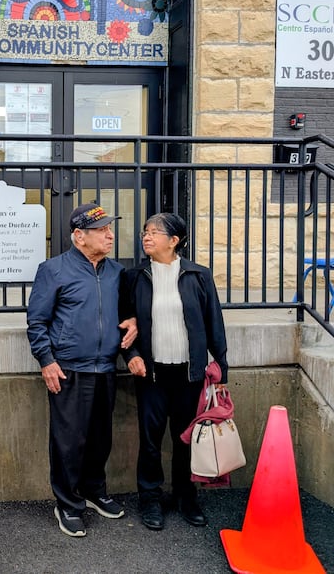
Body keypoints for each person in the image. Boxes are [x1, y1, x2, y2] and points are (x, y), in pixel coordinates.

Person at [26, 203, 137, 538]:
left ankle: (93, 491)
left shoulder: (116, 272)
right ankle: (68, 504)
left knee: (100, 438)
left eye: (110, 228)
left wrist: (133, 321)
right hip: (68, 369)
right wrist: (47, 361)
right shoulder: (53, 270)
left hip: (106, 367)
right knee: (68, 442)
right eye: (102, 230)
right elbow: (37, 322)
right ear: (79, 236)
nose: (110, 235)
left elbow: (126, 313)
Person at [122, 212, 228, 531]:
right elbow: (123, 322)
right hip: (152, 375)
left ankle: (186, 497)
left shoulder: (198, 276)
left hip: (189, 374)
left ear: (174, 240)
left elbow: (214, 324)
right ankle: (150, 499)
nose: (146, 236)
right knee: (150, 441)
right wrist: (131, 355)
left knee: (186, 439)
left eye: (154, 232)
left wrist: (221, 370)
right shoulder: (135, 277)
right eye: (145, 231)